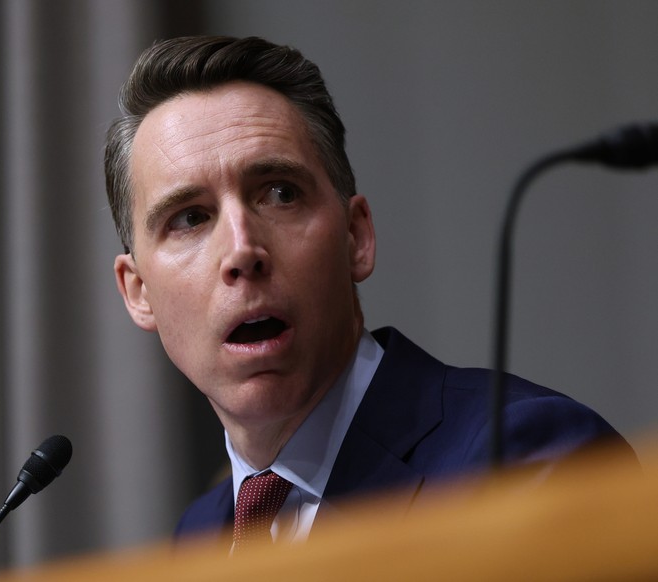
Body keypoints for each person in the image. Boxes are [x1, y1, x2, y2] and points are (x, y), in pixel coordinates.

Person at [103, 35, 634, 548]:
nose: (242, 250)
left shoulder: (525, 460)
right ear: (138, 291)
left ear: (356, 236)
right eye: (191, 218)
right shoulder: (198, 535)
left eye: (280, 194)